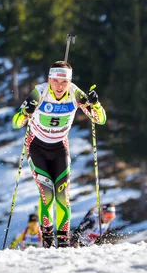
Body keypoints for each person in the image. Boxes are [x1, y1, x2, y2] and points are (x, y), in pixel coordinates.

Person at [12, 60, 106, 248]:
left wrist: (95, 104)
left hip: (59, 148)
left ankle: (62, 240)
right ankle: (47, 238)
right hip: (37, 147)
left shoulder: (75, 92)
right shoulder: (39, 92)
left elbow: (100, 119)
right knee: (47, 194)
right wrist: (25, 112)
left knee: (63, 196)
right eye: (56, 81)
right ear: (49, 79)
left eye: (64, 82)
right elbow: (16, 122)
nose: (60, 86)